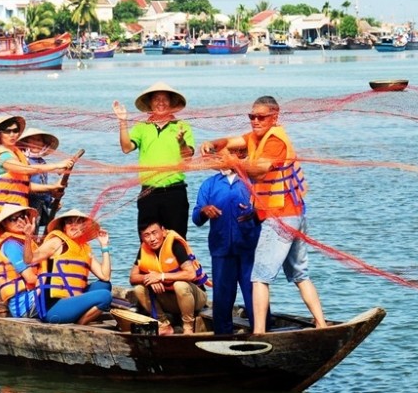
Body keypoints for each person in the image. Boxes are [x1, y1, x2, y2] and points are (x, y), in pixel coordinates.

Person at [199, 96, 327, 334]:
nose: (256, 121)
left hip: (281, 217)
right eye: (252, 117)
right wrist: (213, 144)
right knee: (300, 273)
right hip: (293, 214)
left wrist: (233, 163)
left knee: (259, 278)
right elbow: (231, 140)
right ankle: (320, 323)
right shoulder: (255, 137)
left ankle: (259, 333)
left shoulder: (275, 141)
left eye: (261, 117)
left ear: (274, 117)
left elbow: (260, 168)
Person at [0, 115, 75, 308]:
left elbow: (26, 186)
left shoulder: (16, 153)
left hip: (17, 212)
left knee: (22, 252)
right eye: (8, 131)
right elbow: (24, 170)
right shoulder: (2, 155)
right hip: (0, 213)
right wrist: (57, 165)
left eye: (16, 130)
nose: (13, 134)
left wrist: (51, 188)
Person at [113, 82, 194, 238]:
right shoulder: (142, 127)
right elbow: (126, 147)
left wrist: (181, 141)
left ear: (172, 103)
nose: (161, 103)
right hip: (148, 193)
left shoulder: (182, 126)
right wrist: (122, 121)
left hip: (175, 192)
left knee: (176, 242)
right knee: (148, 243)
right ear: (150, 103)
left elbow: (187, 156)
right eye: (156, 99)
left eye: (165, 99)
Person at [192, 167, 262, 335]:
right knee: (222, 298)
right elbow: (196, 217)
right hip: (221, 249)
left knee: (254, 294)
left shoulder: (252, 181)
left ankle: (262, 332)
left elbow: (269, 209)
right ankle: (222, 336)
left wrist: (254, 212)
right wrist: (204, 210)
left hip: (250, 249)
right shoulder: (210, 184)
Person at [32, 208, 113, 325]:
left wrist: (104, 246)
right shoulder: (57, 242)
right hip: (53, 307)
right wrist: (29, 236)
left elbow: (105, 276)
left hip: (71, 299)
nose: (74, 225)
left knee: (105, 286)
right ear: (64, 227)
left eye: (79, 222)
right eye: (70, 222)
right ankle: (81, 323)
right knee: (105, 296)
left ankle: (76, 315)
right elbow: (31, 259)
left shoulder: (84, 248)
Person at [129, 221, 209, 335]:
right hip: (169, 299)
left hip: (194, 298)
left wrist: (161, 277)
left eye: (154, 233)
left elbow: (191, 274)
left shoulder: (175, 245)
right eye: (146, 235)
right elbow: (133, 278)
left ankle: (188, 327)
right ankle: (163, 324)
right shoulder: (144, 250)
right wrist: (150, 279)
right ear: (142, 237)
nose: (152, 239)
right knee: (139, 289)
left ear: (163, 230)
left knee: (180, 285)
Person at [0, 204, 43, 318]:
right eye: (13, 219)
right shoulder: (11, 245)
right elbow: (30, 278)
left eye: (22, 216)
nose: (19, 221)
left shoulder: (26, 242)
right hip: (24, 305)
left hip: (33, 295)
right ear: (4, 223)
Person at [17, 127, 63, 234]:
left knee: (34, 234)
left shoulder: (42, 163)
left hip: (39, 206)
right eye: (32, 140)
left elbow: (42, 186)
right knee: (27, 234)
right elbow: (27, 187)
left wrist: (52, 200)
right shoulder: (24, 161)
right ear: (25, 144)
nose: (36, 143)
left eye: (39, 141)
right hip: (28, 204)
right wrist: (52, 188)